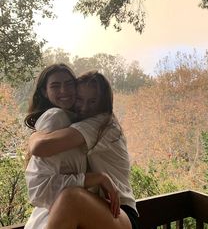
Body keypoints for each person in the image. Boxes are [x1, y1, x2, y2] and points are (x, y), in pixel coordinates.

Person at [29, 71, 139, 229]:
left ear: (103, 103)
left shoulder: (100, 124)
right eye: (80, 99)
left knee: (70, 198)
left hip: (120, 212)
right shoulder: (80, 123)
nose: (85, 107)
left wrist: (34, 136)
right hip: (99, 209)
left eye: (92, 101)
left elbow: (41, 147)